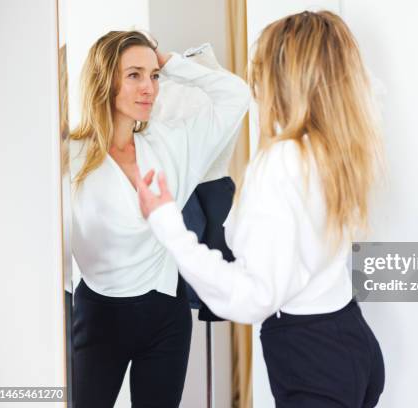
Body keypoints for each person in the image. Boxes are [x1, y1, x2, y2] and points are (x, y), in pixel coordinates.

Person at [136, 11, 386, 407]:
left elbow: (254, 297)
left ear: (284, 79)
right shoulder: (337, 148)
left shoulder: (283, 161)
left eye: (262, 70)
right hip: (352, 340)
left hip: (312, 359)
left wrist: (166, 222)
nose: (256, 85)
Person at [69, 30, 250, 407]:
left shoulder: (172, 144)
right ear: (106, 80)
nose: (149, 87)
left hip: (165, 315)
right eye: (134, 75)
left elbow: (237, 96)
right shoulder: (71, 157)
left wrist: (170, 63)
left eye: (153, 76)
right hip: (99, 315)